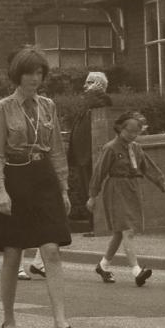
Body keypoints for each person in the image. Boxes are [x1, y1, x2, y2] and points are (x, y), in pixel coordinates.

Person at [0, 46, 81, 328]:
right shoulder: (2, 108)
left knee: (51, 249)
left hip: (43, 180)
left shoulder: (49, 107)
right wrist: (0, 190)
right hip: (15, 180)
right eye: (29, 72)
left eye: (40, 73)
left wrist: (64, 188)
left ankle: (60, 322)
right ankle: (9, 321)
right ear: (18, 74)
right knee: (13, 253)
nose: (35, 78)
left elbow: (56, 149)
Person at [87, 111, 165, 286]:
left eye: (137, 132)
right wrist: (92, 195)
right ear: (120, 129)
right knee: (127, 229)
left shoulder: (136, 148)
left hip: (132, 189)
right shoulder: (110, 148)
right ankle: (136, 270)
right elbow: (99, 172)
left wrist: (163, 185)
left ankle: (103, 266)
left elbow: (148, 167)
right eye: (130, 131)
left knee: (120, 232)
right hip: (116, 189)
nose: (133, 135)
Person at [68, 71, 113, 237]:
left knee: (93, 190)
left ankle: (98, 226)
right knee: (86, 191)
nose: (85, 85)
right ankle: (92, 225)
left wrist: (95, 92)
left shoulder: (101, 100)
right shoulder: (88, 102)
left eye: (89, 82)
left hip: (90, 155)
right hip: (82, 156)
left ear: (99, 85)